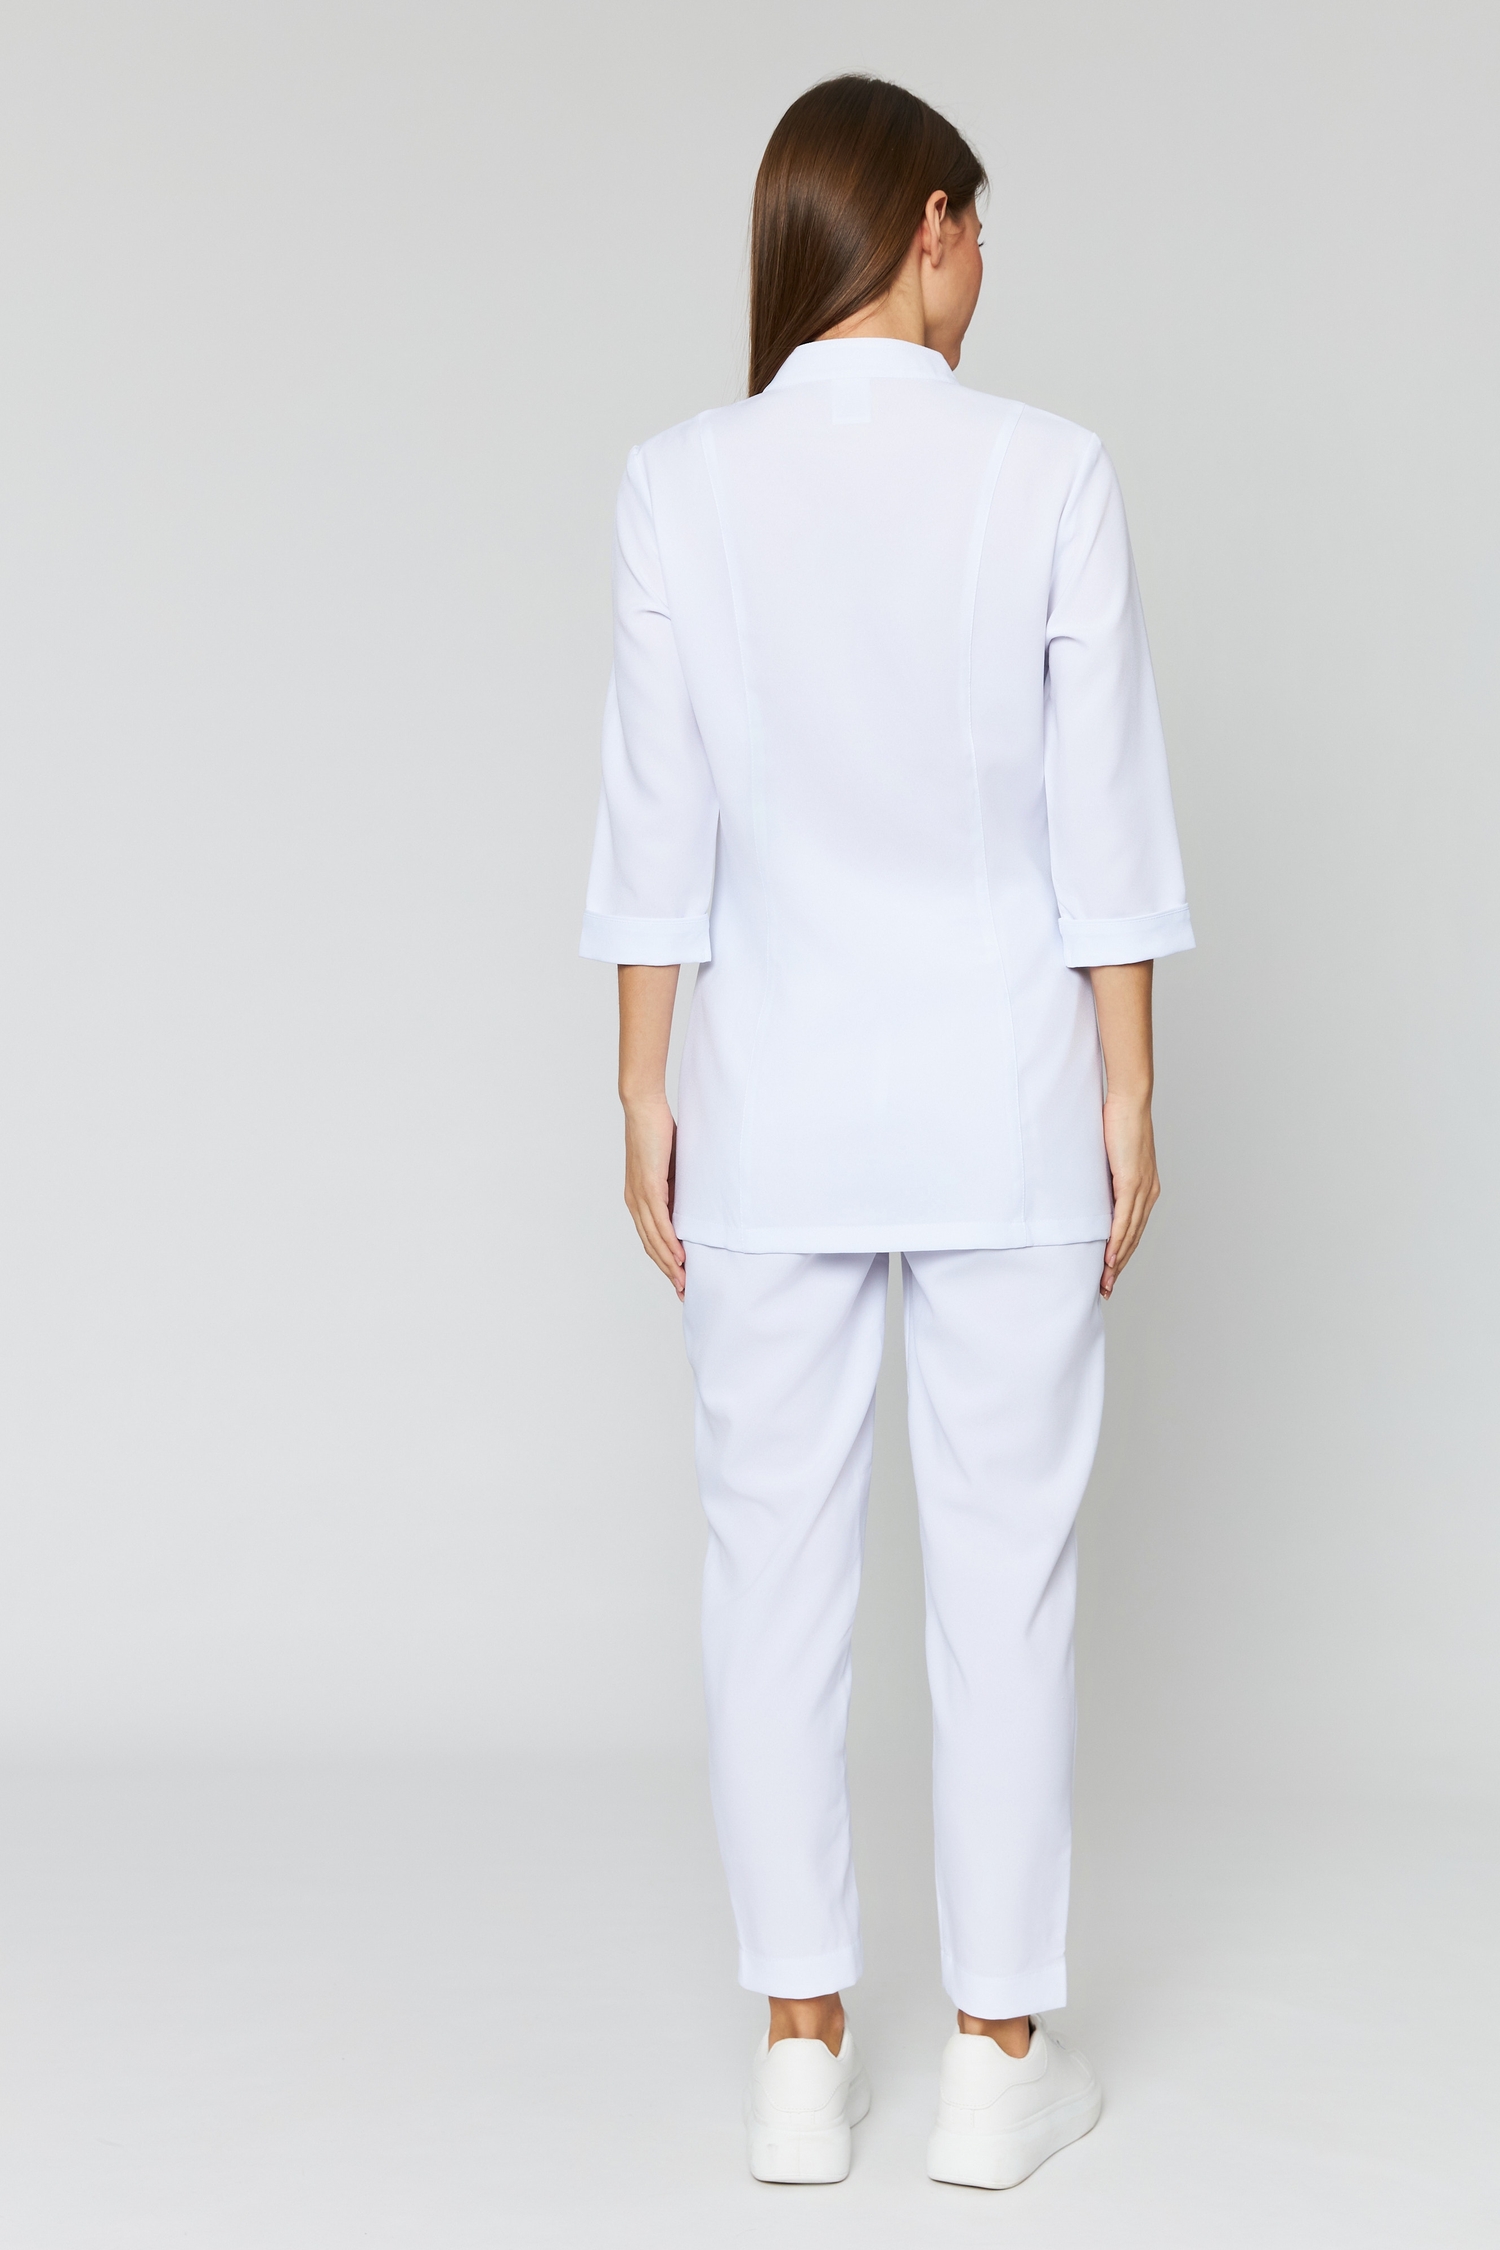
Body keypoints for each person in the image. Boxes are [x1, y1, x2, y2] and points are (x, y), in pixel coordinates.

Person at [579, 73, 1193, 2191]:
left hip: (764, 1107)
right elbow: (1105, 819)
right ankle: (1000, 2060)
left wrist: (641, 1087)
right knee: (1005, 1580)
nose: (986, 268)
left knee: (770, 1578)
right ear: (928, 225)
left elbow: (656, 831)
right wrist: (1129, 1086)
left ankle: (798, 2052)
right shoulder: (1050, 471)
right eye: (979, 229)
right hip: (1006, 1098)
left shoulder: (678, 484)